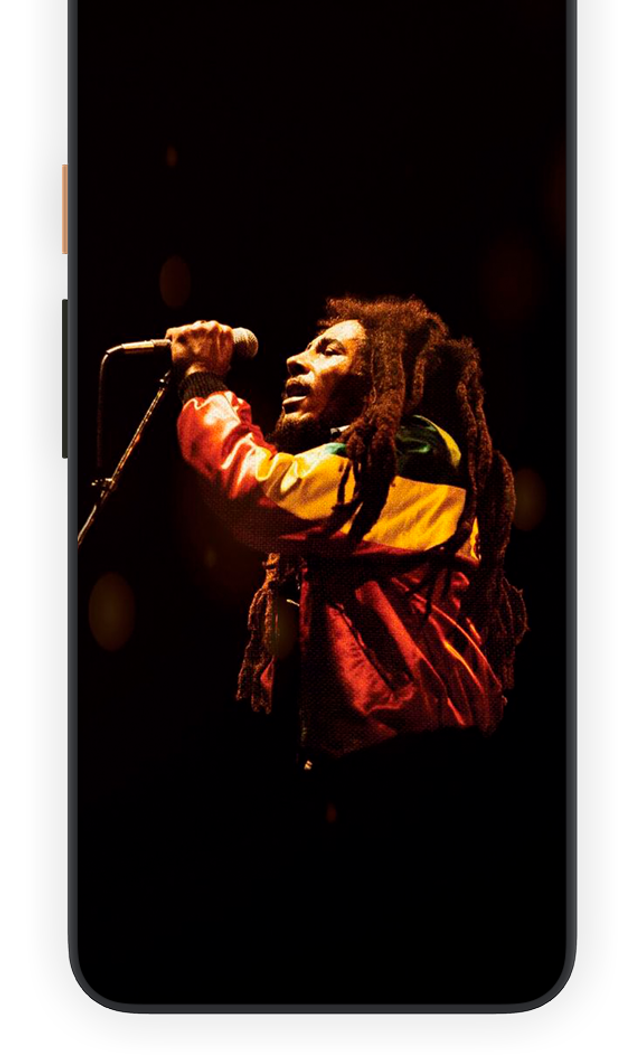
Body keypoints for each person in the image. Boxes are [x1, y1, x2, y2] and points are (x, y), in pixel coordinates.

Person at [166, 295, 527, 774]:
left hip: (418, 754)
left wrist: (204, 382)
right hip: (375, 753)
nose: (296, 360)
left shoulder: (411, 455)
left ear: (378, 378)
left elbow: (254, 489)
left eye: (329, 351)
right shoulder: (356, 468)